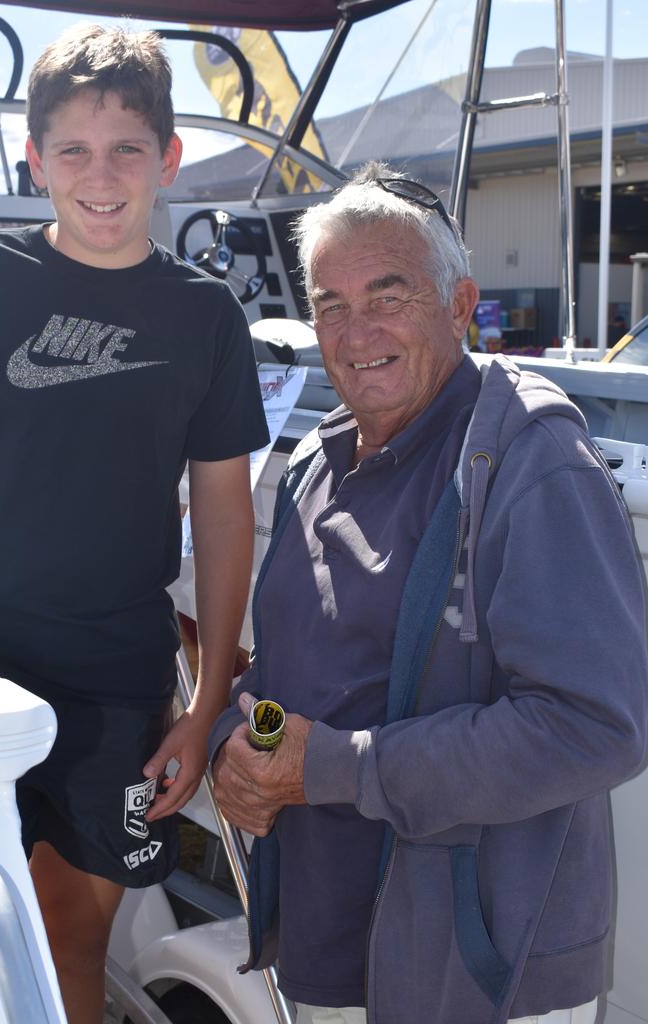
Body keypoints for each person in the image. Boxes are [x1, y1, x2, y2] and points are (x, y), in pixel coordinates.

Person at [0, 24, 268, 1024]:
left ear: (168, 160)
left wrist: (205, 700)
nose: (103, 176)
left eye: (128, 149)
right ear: (35, 160)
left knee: (66, 936)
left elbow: (225, 518)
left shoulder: (206, 317)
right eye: (75, 152)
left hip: (113, 688)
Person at [210, 163, 648, 1024]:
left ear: (458, 306)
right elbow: (293, 673)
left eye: (388, 294)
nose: (355, 328)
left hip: (476, 977)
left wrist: (332, 767)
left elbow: (597, 726)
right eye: (329, 303)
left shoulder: (530, 460)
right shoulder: (314, 462)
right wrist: (243, 742)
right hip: (331, 949)